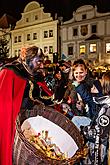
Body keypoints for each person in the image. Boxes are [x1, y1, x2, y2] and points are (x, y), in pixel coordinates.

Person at [0, 46, 45, 165]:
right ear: (29, 60)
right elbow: (4, 102)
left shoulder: (34, 75)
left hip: (27, 123)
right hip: (12, 122)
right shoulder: (10, 71)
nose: (42, 65)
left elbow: (44, 96)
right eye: (39, 61)